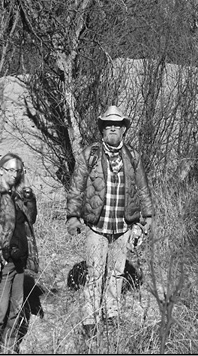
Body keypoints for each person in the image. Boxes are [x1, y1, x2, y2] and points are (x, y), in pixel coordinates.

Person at [66, 105, 154, 336]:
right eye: (108, 125)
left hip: (124, 226)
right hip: (97, 225)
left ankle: (112, 313)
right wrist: (72, 216)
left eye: (117, 125)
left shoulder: (133, 156)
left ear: (124, 129)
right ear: (102, 129)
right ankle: (89, 318)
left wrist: (148, 216)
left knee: (116, 272)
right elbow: (76, 187)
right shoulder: (90, 154)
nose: (113, 128)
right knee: (94, 273)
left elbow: (143, 188)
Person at [0, 152, 39, 354]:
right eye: (11, 170)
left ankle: (9, 348)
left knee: (16, 310)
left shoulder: (17, 196)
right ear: (1, 171)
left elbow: (31, 219)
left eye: (19, 171)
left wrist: (30, 198)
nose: (15, 175)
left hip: (17, 263)